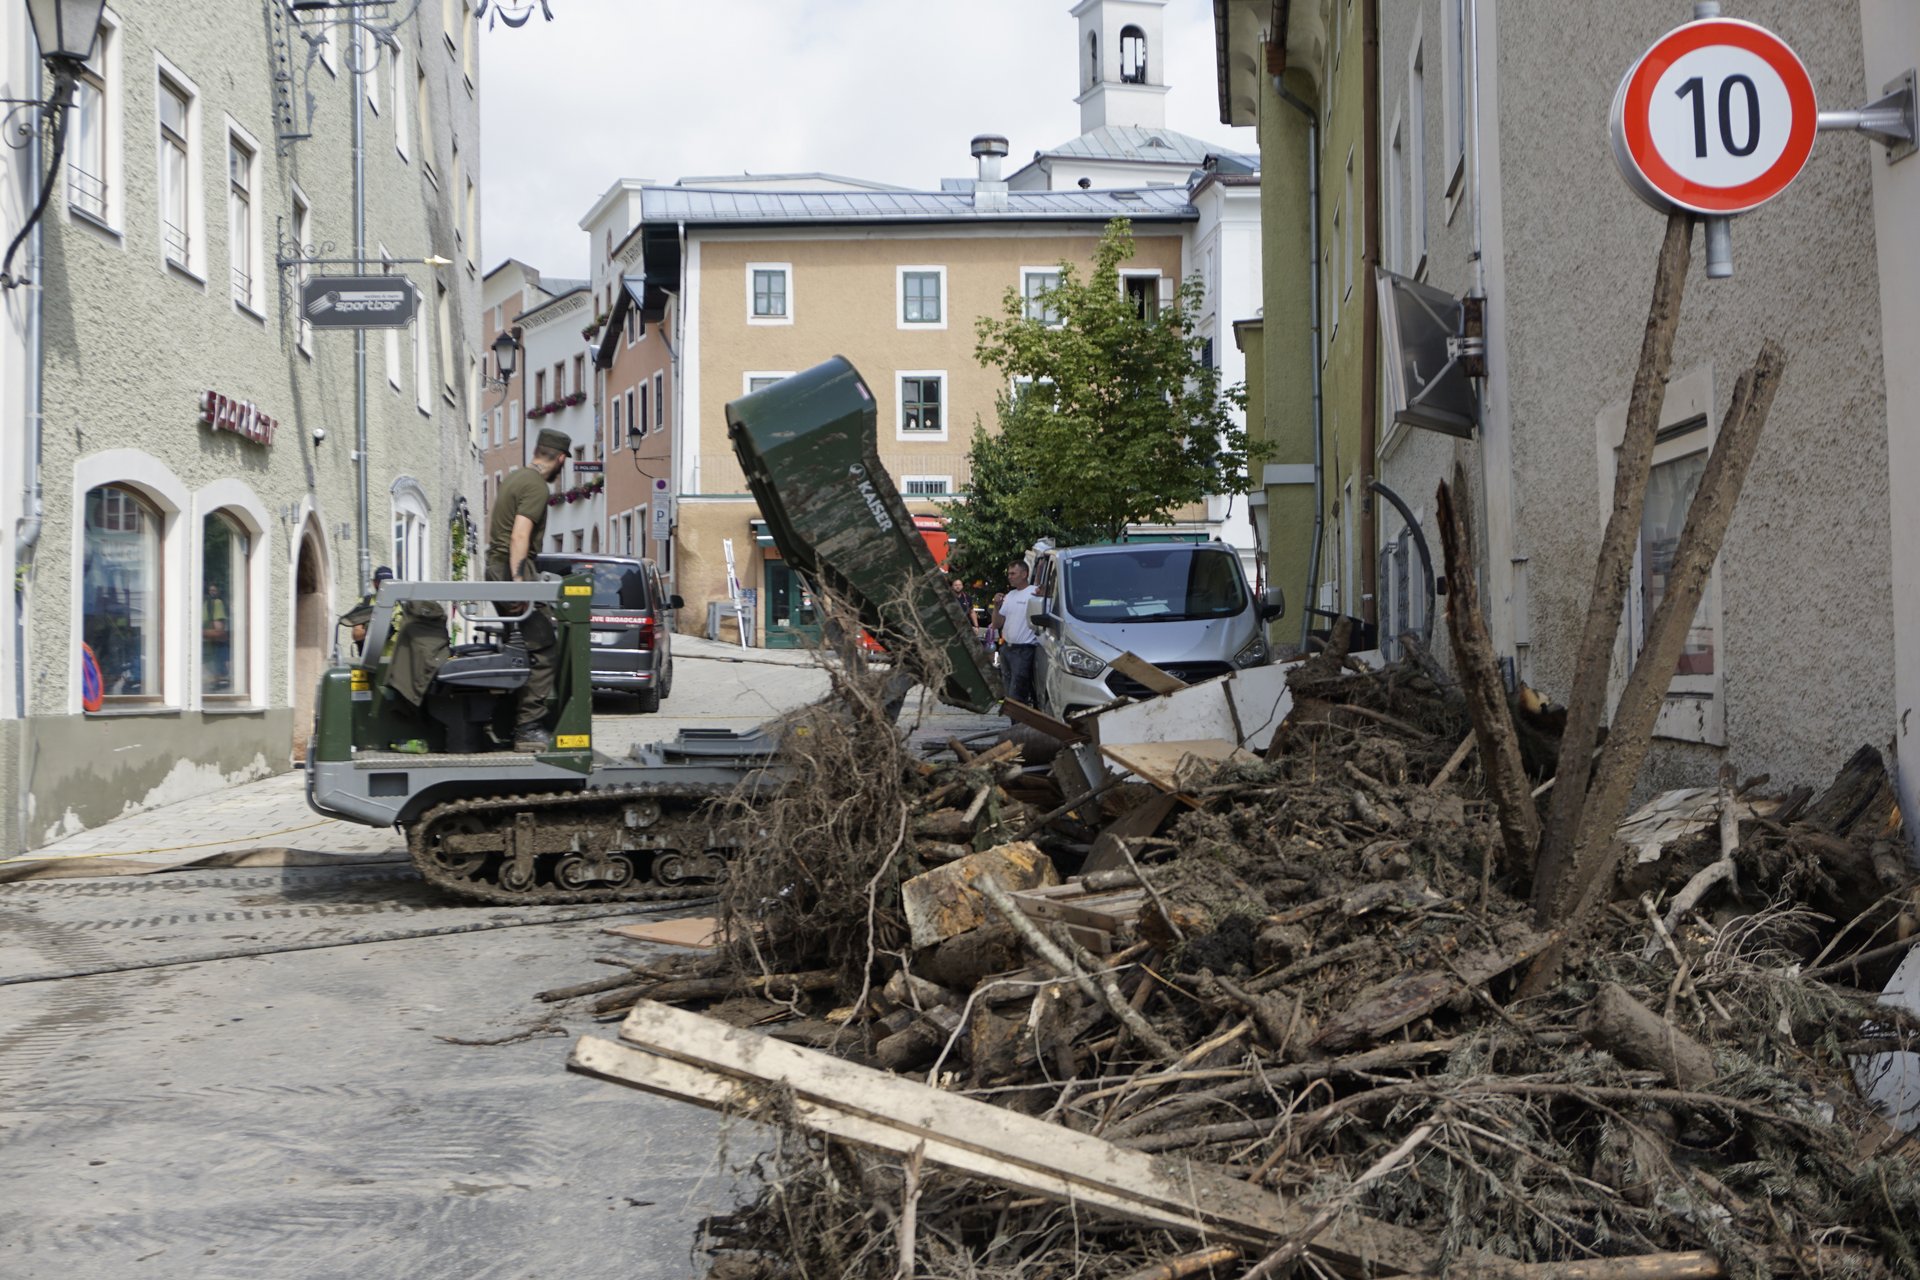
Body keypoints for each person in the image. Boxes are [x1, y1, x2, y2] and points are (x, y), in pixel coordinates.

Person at [486, 428, 569, 752]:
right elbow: (520, 536)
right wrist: (519, 585)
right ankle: (527, 729)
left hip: (499, 566)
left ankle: (506, 722)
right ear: (560, 459)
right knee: (544, 649)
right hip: (511, 569)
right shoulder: (536, 486)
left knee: (520, 649)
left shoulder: (516, 478)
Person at [996, 558, 1040, 707]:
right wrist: (996, 606)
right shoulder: (1010, 595)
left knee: (1017, 692)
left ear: (1024, 574)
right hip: (1007, 648)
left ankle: (1018, 724)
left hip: (1023, 650)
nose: (1009, 576)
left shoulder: (1034, 593)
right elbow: (997, 623)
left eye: (1013, 573)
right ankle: (1014, 723)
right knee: (1009, 691)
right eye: (1009, 574)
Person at [343, 565, 395, 654]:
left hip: (396, 661)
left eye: (389, 582)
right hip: (370, 661)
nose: (386, 585)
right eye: (382, 582)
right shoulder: (366, 603)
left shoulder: (401, 603)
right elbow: (356, 634)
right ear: (375, 583)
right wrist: (377, 631)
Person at [202, 580, 230, 691]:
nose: (212, 593)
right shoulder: (206, 603)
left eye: (214, 590)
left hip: (212, 652)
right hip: (207, 653)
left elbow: (219, 631)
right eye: (210, 590)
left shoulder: (216, 603)